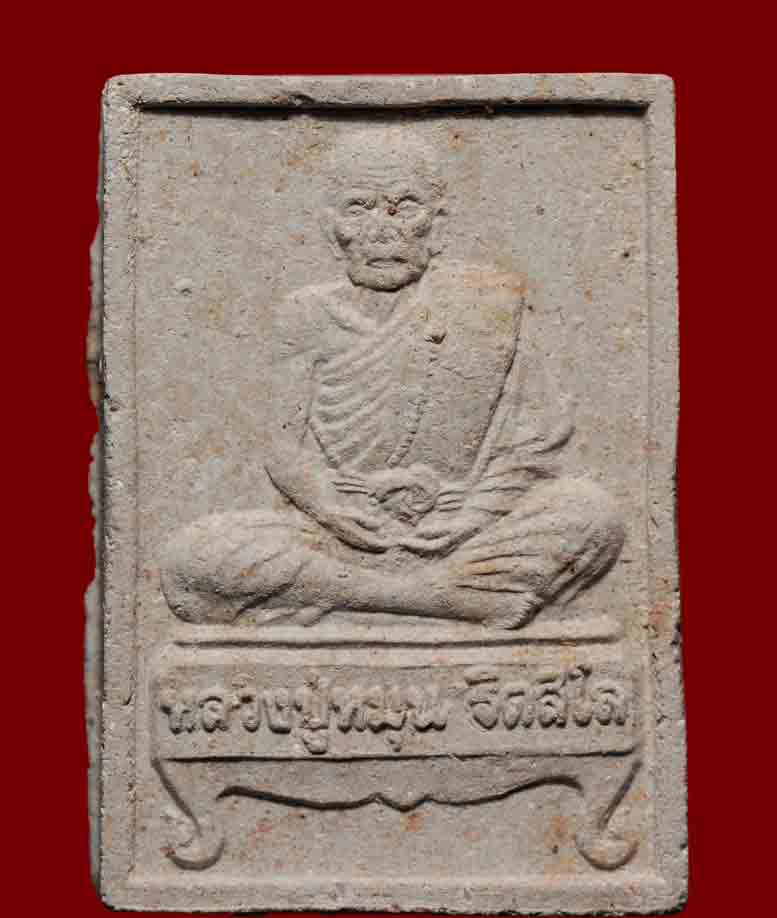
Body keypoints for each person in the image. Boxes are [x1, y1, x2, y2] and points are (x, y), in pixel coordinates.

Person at [160, 127, 624, 628]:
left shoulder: (488, 305)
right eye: (358, 208)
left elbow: (538, 440)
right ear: (331, 227)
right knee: (194, 555)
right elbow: (283, 450)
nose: (381, 230)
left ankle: (368, 596)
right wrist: (332, 511)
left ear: (437, 224)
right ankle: (439, 599)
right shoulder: (307, 314)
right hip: (339, 535)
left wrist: (470, 517)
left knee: (591, 512)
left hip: (462, 532)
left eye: (404, 208)